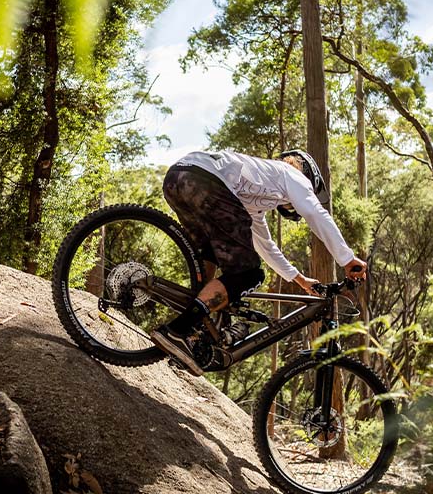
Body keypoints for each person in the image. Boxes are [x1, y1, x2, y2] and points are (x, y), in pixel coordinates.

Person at [151, 149, 367, 375]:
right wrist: (347, 258)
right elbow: (315, 213)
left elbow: (265, 245)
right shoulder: (292, 175)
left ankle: (190, 327)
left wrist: (299, 279)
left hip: (178, 179)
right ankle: (177, 331)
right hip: (205, 181)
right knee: (248, 275)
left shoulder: (256, 195)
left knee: (212, 253)